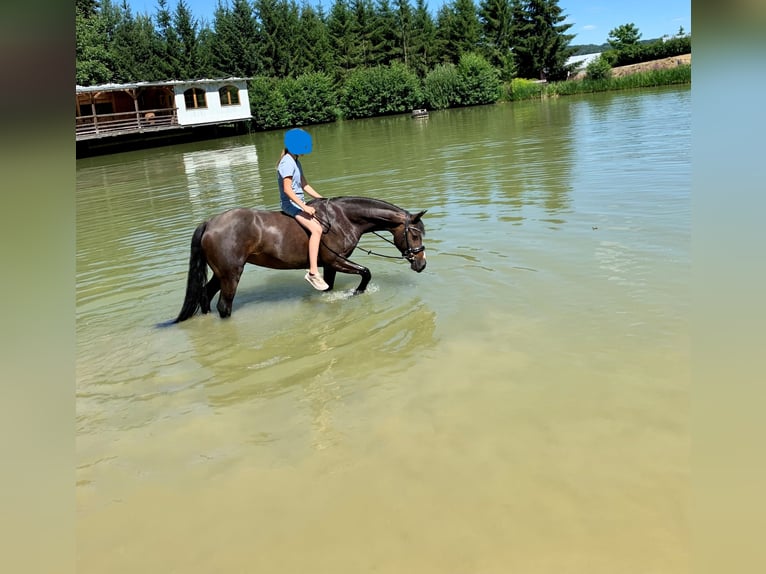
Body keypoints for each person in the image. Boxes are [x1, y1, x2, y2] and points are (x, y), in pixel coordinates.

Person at [277, 128, 330, 291]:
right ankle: (313, 272)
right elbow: (287, 189)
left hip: (299, 202)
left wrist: (323, 199)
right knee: (317, 229)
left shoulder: (296, 161)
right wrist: (304, 207)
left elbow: (305, 185)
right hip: (291, 205)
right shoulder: (286, 161)